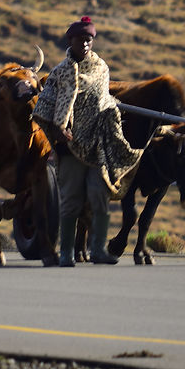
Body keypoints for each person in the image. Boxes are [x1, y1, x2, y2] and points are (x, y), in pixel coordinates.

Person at [33, 16, 143, 267]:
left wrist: (112, 118)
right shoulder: (60, 72)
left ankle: (98, 250)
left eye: (89, 40)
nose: (84, 44)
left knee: (98, 198)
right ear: (70, 40)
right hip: (69, 147)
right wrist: (58, 129)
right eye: (80, 39)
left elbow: (103, 102)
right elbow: (45, 105)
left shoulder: (101, 69)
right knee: (71, 201)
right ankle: (67, 253)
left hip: (97, 145)